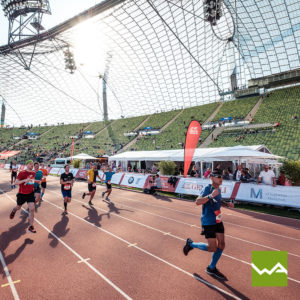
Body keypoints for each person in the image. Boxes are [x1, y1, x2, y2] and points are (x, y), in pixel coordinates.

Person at [183, 170, 234, 280]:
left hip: (218, 220)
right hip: (208, 221)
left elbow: (218, 201)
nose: (221, 178)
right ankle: (191, 244)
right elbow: (197, 202)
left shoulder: (218, 189)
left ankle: (211, 268)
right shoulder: (208, 188)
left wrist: (227, 204)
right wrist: (210, 195)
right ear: (211, 178)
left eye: (222, 176)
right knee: (212, 248)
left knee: (222, 244)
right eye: (219, 176)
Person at [9, 160, 38, 233]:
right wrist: (25, 180)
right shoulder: (22, 173)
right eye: (30, 164)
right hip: (22, 194)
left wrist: (34, 184)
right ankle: (13, 210)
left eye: (32, 164)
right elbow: (16, 182)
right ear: (27, 165)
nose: (32, 165)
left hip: (30, 194)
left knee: (31, 209)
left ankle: (31, 227)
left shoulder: (33, 173)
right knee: (18, 207)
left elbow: (31, 182)